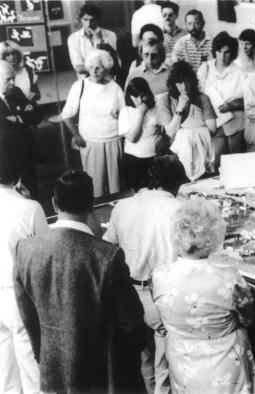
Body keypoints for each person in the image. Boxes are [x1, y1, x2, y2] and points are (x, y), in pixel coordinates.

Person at [14, 170, 147, 393]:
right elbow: (132, 325)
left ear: (54, 204)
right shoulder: (107, 256)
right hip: (106, 375)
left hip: (54, 370)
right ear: (91, 204)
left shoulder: (25, 250)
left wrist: (45, 357)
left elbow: (28, 317)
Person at [152, 199, 255, 393]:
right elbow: (247, 318)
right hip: (224, 362)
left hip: (182, 361)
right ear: (212, 235)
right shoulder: (229, 278)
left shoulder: (160, 276)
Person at [103, 155, 188, 394]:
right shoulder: (180, 209)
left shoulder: (123, 205)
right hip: (164, 295)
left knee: (144, 359)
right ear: (175, 184)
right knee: (166, 363)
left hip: (129, 294)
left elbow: (108, 247)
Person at [0, 138, 46, 394]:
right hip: (20, 296)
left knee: (4, 371)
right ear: (18, 174)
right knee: (31, 367)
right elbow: (43, 254)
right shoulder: (29, 208)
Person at [62, 50, 125, 198]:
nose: (94, 71)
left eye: (99, 67)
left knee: (116, 187)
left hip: (113, 142)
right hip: (90, 143)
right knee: (95, 187)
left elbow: (123, 117)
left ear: (107, 68)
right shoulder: (80, 86)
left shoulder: (115, 88)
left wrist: (122, 141)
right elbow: (66, 114)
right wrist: (76, 134)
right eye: (91, 67)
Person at [159, 61, 216, 181]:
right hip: (173, 154)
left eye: (186, 81)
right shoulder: (165, 100)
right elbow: (170, 133)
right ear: (173, 84)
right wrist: (180, 107)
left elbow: (212, 129)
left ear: (192, 80)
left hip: (201, 151)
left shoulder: (202, 98)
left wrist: (190, 132)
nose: (184, 86)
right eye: (179, 82)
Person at [198, 32, 246, 170]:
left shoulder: (239, 71)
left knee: (234, 163)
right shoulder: (206, 68)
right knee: (214, 161)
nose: (222, 56)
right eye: (219, 51)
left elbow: (248, 98)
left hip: (234, 123)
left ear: (233, 53)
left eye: (226, 52)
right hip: (213, 123)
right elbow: (198, 94)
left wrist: (233, 104)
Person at [0, 60, 42, 199]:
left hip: (26, 157)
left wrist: (16, 119)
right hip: (6, 162)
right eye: (8, 79)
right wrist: (22, 115)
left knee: (33, 195)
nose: (12, 82)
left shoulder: (15, 92)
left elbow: (36, 115)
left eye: (13, 78)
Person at [119, 77, 170, 191]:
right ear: (129, 96)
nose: (140, 100)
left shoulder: (156, 109)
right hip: (133, 161)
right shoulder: (126, 111)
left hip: (155, 159)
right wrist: (141, 114)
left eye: (143, 95)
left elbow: (166, 131)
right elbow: (132, 138)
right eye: (135, 96)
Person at [67, 3, 117, 78]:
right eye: (85, 20)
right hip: (86, 81)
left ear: (98, 20)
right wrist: (100, 70)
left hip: (107, 79)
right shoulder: (73, 38)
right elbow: (79, 67)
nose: (89, 24)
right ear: (80, 20)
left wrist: (100, 40)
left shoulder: (111, 35)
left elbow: (112, 62)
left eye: (92, 20)